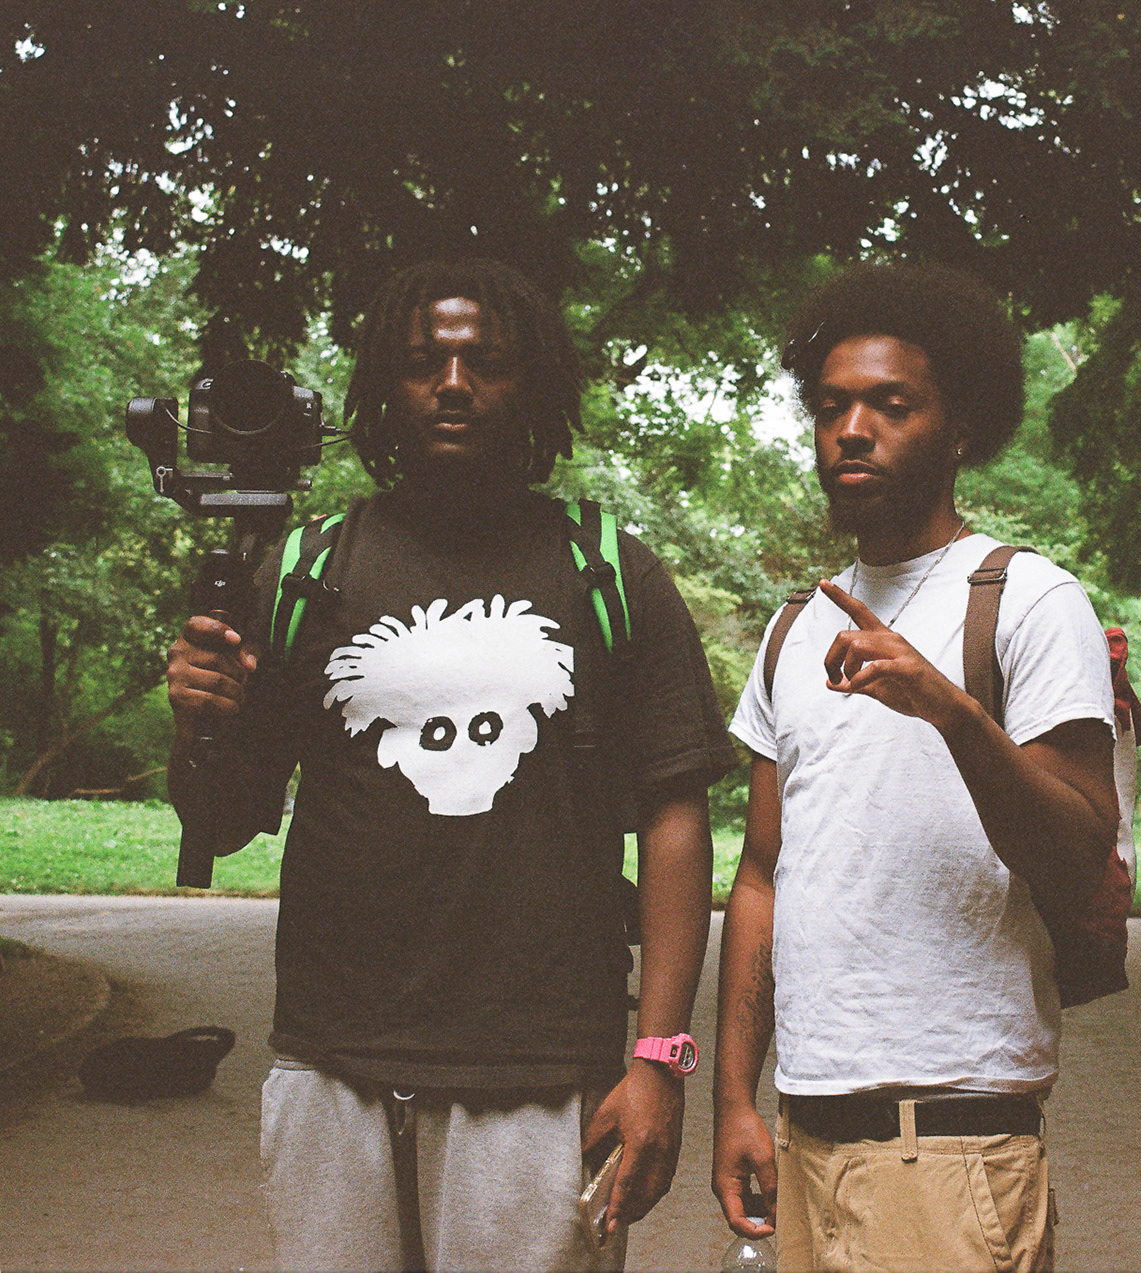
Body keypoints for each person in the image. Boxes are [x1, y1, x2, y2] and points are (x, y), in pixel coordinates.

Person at [164, 259, 737, 1270]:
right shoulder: (306, 569)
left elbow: (674, 819)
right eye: (424, 361)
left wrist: (659, 1059)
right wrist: (196, 720)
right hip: (331, 1062)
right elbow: (225, 817)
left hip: (542, 1071)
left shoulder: (608, 570)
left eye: (488, 361)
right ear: (385, 387)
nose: (455, 384)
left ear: (534, 386)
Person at [709, 262, 1119, 1272]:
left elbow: (1080, 850)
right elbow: (760, 873)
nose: (852, 430)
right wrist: (733, 1101)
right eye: (831, 407)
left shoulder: (1026, 599)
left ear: (961, 428)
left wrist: (952, 712)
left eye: (891, 405)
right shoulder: (795, 627)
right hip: (806, 1131)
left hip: (954, 1138)